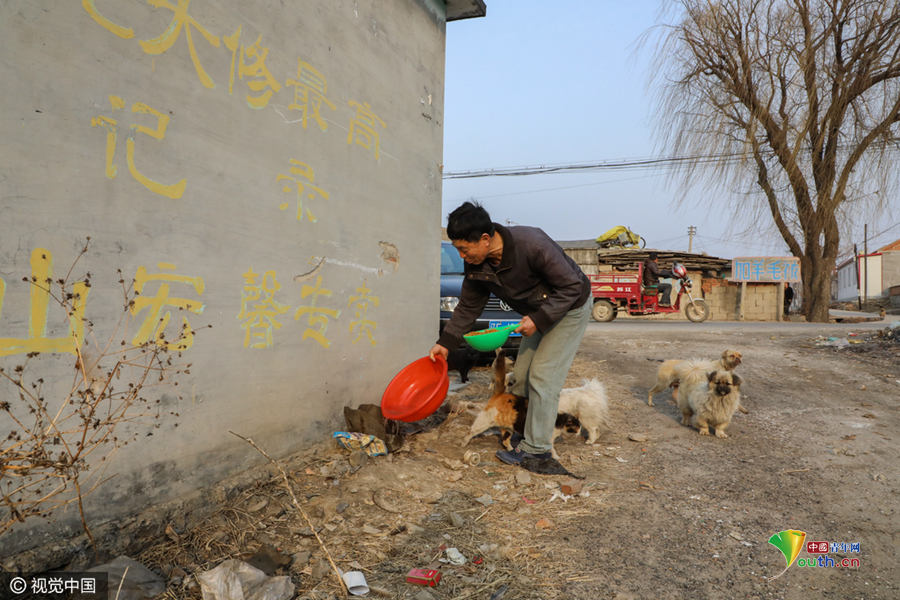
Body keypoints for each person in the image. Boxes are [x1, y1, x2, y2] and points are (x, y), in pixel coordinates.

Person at [429, 202, 592, 470]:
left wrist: (538, 319)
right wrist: (445, 343)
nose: (461, 256)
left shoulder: (532, 245)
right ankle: (520, 431)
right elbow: (469, 306)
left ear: (484, 239)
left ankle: (538, 451)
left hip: (570, 307)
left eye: (463, 249)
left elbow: (571, 286)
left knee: (542, 377)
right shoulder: (477, 264)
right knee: (522, 377)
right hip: (538, 312)